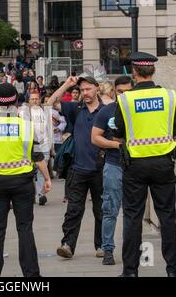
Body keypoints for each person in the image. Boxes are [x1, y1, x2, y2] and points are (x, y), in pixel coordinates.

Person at [113, 52, 176, 277]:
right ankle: (175, 270)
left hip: (135, 165)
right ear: (153, 71)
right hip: (163, 163)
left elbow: (117, 136)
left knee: (133, 217)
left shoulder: (125, 99)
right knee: (167, 217)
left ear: (134, 73)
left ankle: (130, 272)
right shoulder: (169, 96)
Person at [0, 83, 52, 277]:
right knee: (25, 228)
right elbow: (37, 155)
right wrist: (47, 178)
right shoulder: (26, 126)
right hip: (23, 183)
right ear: (17, 100)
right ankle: (31, 275)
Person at [47, 75, 105, 260]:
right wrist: (67, 84)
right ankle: (68, 244)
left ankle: (102, 245)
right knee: (74, 210)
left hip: (101, 169)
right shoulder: (76, 108)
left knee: (101, 210)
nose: (85, 93)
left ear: (97, 89)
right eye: (82, 90)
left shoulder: (107, 110)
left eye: (88, 89)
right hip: (78, 169)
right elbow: (51, 101)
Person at [91, 76, 133, 265]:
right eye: (120, 91)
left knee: (131, 212)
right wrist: (117, 145)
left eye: (128, 91)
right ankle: (107, 250)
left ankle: (129, 250)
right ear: (114, 92)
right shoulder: (107, 111)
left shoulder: (137, 110)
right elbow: (95, 138)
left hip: (134, 168)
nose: (124, 95)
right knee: (110, 209)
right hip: (114, 165)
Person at [20, 91, 51, 206]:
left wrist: (51, 147)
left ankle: (40, 195)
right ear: (29, 100)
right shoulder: (25, 112)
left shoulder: (44, 111)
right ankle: (31, 194)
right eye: (32, 99)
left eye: (36, 99)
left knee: (42, 172)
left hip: (44, 145)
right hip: (31, 146)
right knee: (30, 171)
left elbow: (48, 129)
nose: (35, 101)